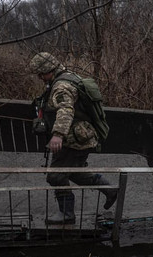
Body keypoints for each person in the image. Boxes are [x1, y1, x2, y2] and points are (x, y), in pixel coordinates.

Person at [28, 52, 117, 225]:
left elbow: (66, 110)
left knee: (56, 176)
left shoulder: (61, 86)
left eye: (41, 74)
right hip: (81, 136)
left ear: (49, 70)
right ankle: (110, 190)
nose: (39, 77)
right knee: (75, 171)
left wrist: (57, 135)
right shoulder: (68, 77)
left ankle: (67, 214)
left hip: (73, 140)